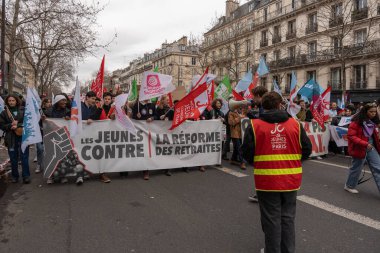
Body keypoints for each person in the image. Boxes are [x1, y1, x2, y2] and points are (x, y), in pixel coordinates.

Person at [241, 91, 312, 253]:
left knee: (271, 218)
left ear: (262, 106)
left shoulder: (254, 125)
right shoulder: (295, 124)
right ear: (281, 104)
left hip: (266, 180)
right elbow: (307, 149)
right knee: (287, 218)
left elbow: (246, 152)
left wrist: (258, 163)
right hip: (291, 179)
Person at [345, 103, 380, 194]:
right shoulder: (356, 122)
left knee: (378, 167)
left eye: (375, 112)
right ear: (365, 111)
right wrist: (364, 143)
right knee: (356, 168)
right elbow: (351, 136)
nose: (373, 114)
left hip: (371, 148)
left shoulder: (374, 122)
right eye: (371, 112)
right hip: (359, 147)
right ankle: (349, 186)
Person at [0, 95, 31, 184]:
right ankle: (15, 176)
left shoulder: (23, 110)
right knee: (13, 158)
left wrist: (18, 125)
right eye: (9, 100)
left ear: (16, 101)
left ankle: (26, 176)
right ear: (7, 102)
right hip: (10, 138)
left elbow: (28, 122)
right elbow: (2, 125)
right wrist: (10, 126)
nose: (11, 102)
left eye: (13, 100)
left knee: (24, 157)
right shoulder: (4, 113)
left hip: (23, 136)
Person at [82, 91, 109, 183]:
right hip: (82, 135)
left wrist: (99, 109)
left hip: (93, 134)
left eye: (95, 99)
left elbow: (96, 117)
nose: (94, 101)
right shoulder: (80, 106)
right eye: (92, 99)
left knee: (99, 153)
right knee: (84, 154)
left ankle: (102, 173)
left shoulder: (95, 108)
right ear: (87, 98)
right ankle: (83, 172)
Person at [132, 98, 155, 180]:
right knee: (140, 150)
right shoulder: (137, 105)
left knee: (147, 150)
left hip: (149, 131)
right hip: (139, 132)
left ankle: (146, 170)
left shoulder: (152, 104)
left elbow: (155, 115)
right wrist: (136, 116)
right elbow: (133, 117)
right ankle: (138, 166)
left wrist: (152, 118)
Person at [228, 103, 247, 170]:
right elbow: (231, 122)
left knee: (237, 147)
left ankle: (233, 159)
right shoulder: (231, 113)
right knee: (239, 147)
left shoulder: (242, 112)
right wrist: (239, 118)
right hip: (235, 133)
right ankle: (242, 162)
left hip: (241, 133)